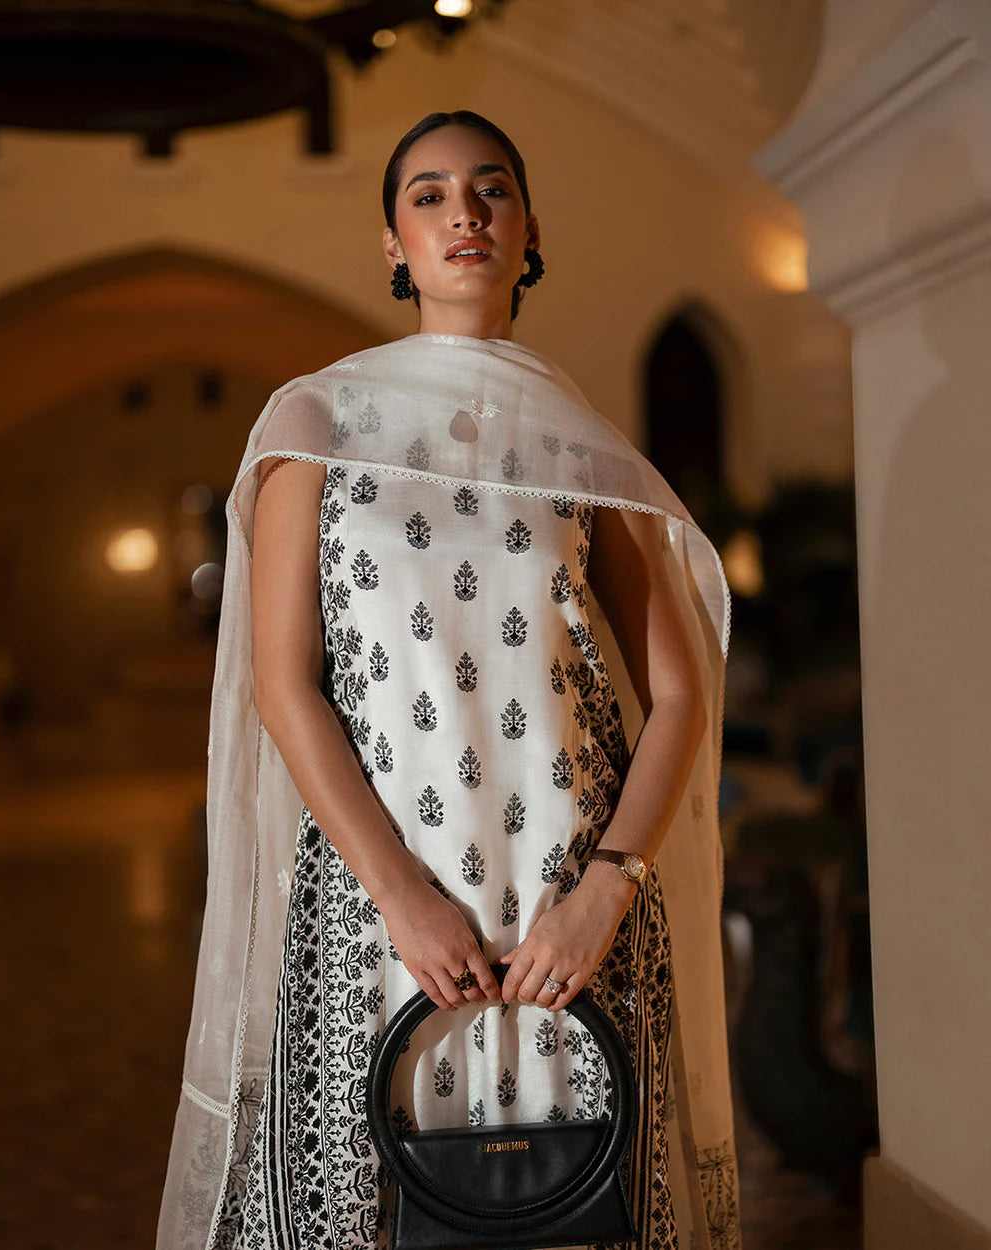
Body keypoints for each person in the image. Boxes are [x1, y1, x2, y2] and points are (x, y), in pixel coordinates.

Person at [156, 110, 741, 1250]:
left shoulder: (579, 444)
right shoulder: (319, 422)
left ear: (529, 230)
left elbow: (676, 696)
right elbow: (286, 684)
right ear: (393, 242)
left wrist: (605, 891)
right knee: (371, 1211)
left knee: (577, 1208)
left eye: (490, 189)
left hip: (572, 913)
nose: (462, 212)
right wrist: (403, 897)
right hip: (382, 900)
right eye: (427, 195)